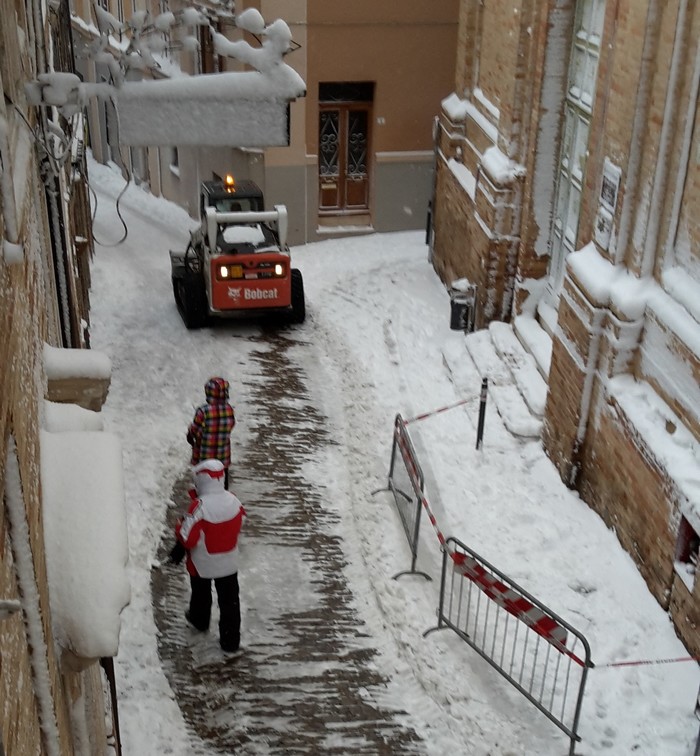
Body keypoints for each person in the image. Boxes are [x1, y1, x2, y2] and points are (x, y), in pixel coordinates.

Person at [170, 459, 245, 653]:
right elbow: (241, 521)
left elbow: (188, 538)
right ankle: (230, 641)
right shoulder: (234, 501)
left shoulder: (199, 507)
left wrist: (179, 525)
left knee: (201, 594)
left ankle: (200, 619)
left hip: (202, 563)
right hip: (228, 563)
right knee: (230, 602)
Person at [187, 376, 235, 489]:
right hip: (223, 454)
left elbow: (194, 431)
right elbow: (231, 425)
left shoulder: (203, 411)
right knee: (223, 480)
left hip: (204, 455)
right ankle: (224, 498)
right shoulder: (229, 409)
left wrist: (191, 436)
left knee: (204, 482)